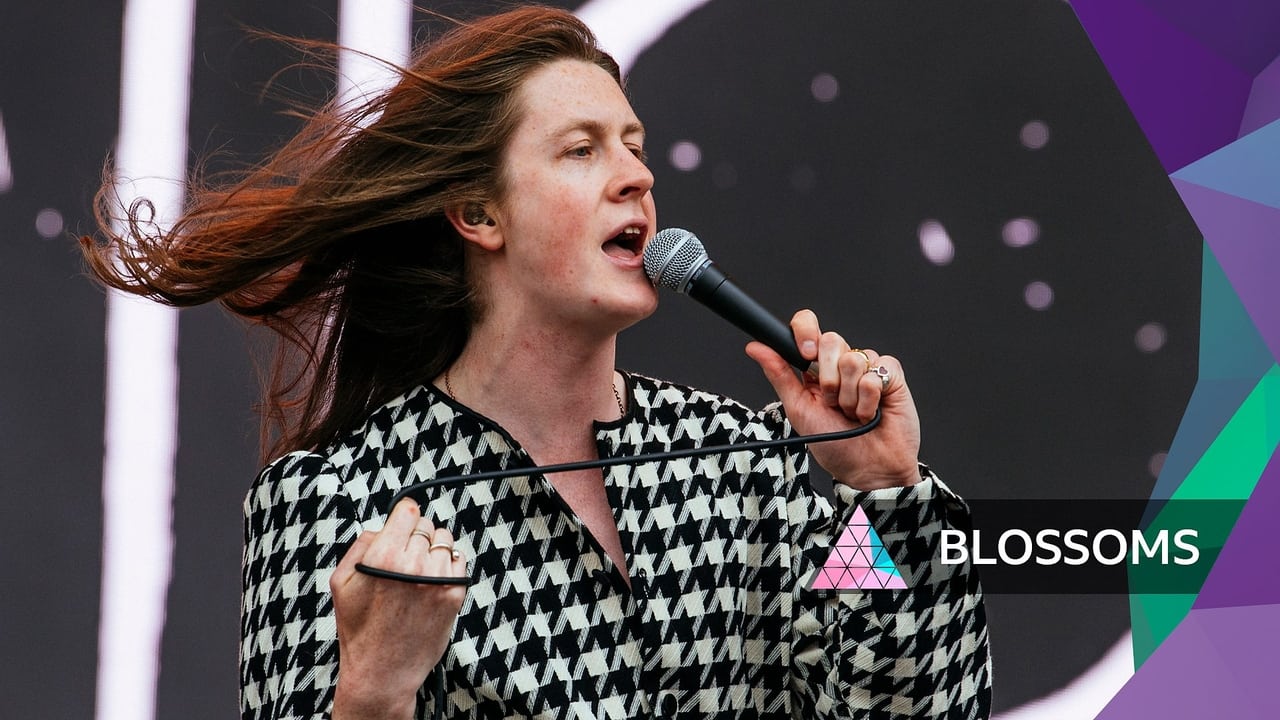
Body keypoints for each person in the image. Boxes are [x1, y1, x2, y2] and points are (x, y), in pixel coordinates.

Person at [83, 6, 991, 719]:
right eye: (582, 150)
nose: (636, 174)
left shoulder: (760, 464)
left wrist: (880, 500)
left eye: (635, 146)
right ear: (479, 214)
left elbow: (913, 706)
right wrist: (372, 695)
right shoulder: (333, 504)